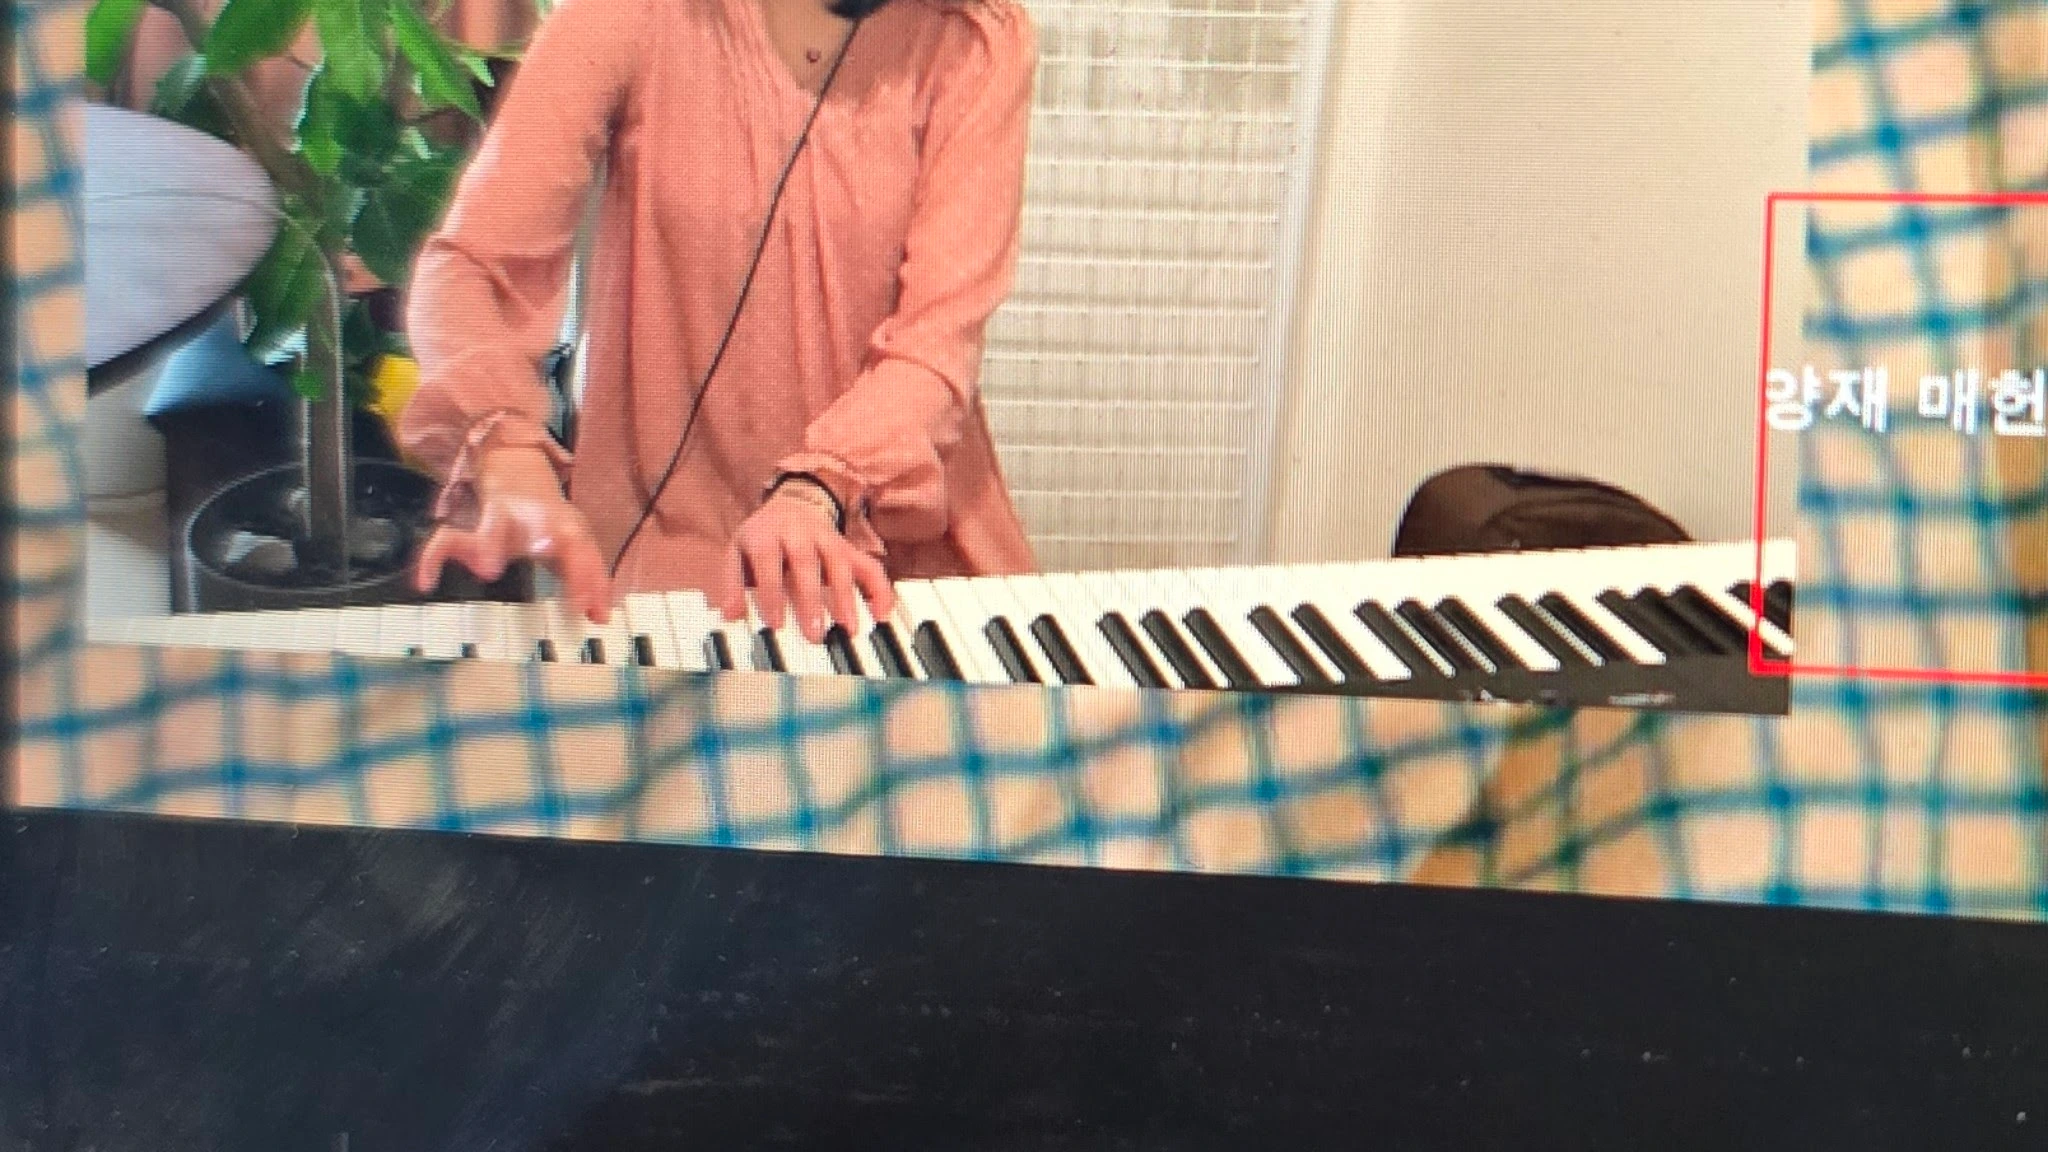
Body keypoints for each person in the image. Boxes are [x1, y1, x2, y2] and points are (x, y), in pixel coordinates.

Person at [401, 0, 1041, 646]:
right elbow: (471, 265)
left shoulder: (974, 39)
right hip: (678, 556)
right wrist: (506, 450)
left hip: (904, 553)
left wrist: (818, 486)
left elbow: (938, 341)